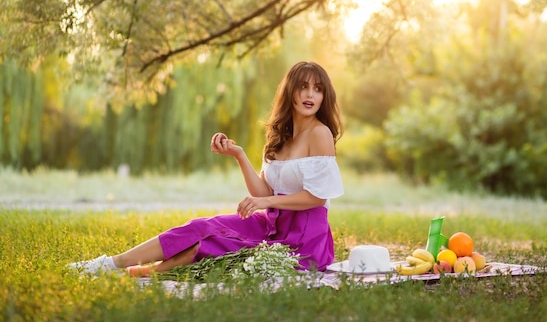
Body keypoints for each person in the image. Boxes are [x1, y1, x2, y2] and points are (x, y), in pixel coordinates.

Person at [67, 61, 344, 276]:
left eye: (318, 89)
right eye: (303, 87)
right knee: (200, 227)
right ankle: (109, 264)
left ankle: (145, 273)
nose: (310, 94)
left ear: (324, 96)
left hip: (305, 238)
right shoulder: (279, 137)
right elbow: (265, 189)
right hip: (271, 223)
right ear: (290, 92)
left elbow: (317, 197)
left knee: (208, 246)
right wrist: (239, 155)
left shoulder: (320, 134)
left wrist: (265, 201)